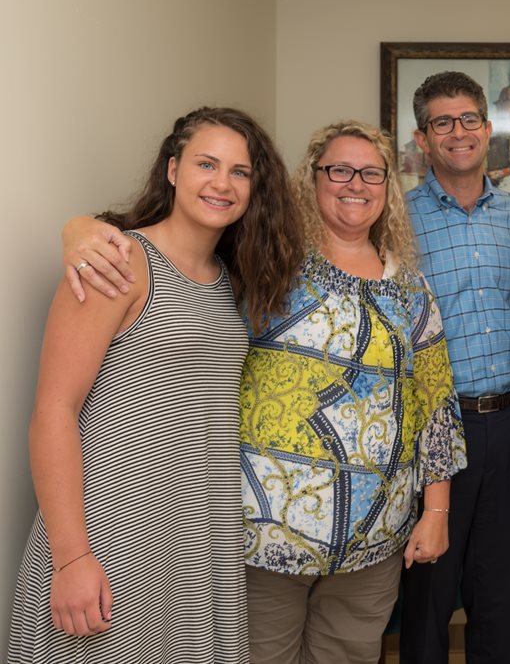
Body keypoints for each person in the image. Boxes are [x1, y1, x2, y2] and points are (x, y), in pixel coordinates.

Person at [57, 120, 468, 664]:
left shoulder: (411, 288)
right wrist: (79, 228)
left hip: (373, 543)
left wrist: (435, 512)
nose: (355, 184)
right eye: (339, 170)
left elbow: (434, 402)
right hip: (259, 536)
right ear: (311, 179)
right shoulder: (265, 261)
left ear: (388, 187)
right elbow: (174, 242)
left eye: (371, 173)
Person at [8, 106, 300, 663]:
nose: (222, 183)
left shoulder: (231, 284)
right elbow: (53, 410)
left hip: (196, 546)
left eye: (240, 172)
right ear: (172, 170)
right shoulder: (120, 263)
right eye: (206, 164)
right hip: (110, 535)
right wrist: (70, 558)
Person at [400, 71, 510, 664]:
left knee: (498, 598)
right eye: (442, 122)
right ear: (422, 137)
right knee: (426, 598)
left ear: (488, 128)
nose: (458, 132)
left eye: (469, 120)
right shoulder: (393, 219)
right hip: (430, 429)